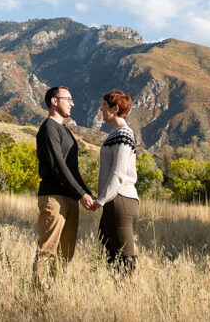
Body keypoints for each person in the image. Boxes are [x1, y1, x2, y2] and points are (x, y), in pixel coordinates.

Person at [33, 85, 97, 281]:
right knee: (48, 250)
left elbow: (72, 169)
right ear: (54, 101)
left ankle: (56, 291)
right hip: (53, 198)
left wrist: (86, 193)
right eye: (67, 99)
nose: (72, 103)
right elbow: (58, 167)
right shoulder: (48, 129)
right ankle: (39, 296)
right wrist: (81, 194)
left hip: (70, 198)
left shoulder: (64, 130)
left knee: (66, 253)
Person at [94, 89, 139, 274]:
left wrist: (101, 199)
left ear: (116, 108)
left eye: (105, 105)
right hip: (114, 200)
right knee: (109, 251)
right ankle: (117, 292)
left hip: (120, 198)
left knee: (124, 253)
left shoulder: (124, 134)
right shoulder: (115, 133)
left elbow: (119, 173)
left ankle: (128, 294)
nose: (101, 109)